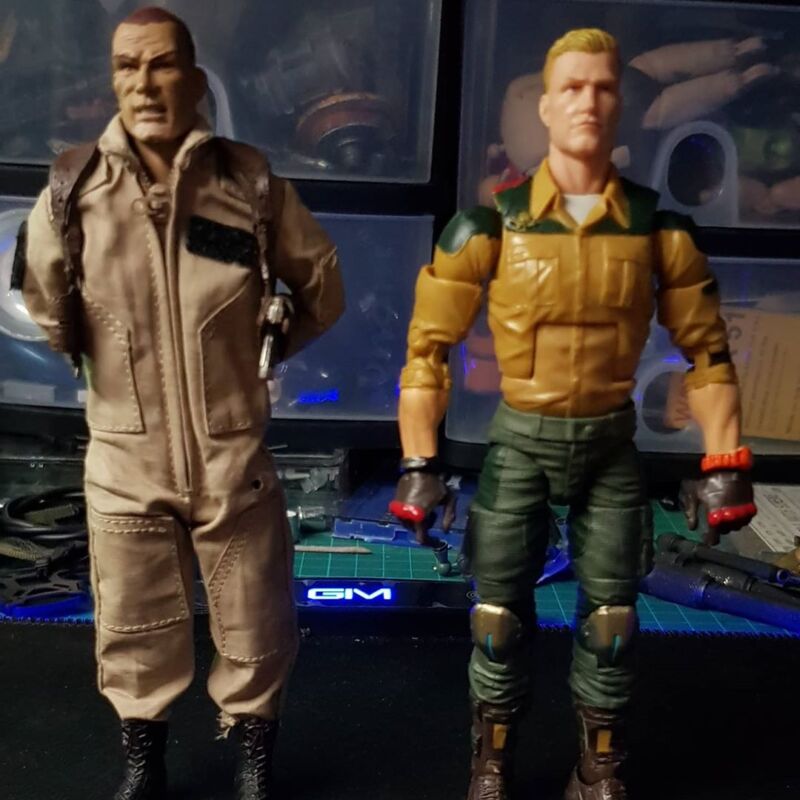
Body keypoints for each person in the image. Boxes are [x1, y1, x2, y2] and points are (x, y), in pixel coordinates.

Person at [390, 28, 756, 800]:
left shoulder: (659, 231)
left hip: (610, 442)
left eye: (603, 87)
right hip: (520, 441)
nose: (588, 102)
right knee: (496, 615)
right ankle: (491, 761)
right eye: (572, 88)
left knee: (613, 621)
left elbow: (708, 353)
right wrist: (419, 464)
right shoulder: (489, 227)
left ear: (622, 106)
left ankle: (598, 767)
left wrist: (725, 462)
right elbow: (426, 350)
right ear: (546, 107)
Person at [15, 7, 344, 800]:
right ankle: (143, 762)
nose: (145, 84)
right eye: (127, 67)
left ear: (195, 79)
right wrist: (107, 371)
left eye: (162, 64)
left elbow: (321, 285)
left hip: (231, 453)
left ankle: (253, 760)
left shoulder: (248, 186)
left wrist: (257, 356)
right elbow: (46, 303)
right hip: (125, 454)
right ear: (111, 80)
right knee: (132, 625)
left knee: (256, 621)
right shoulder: (73, 191)